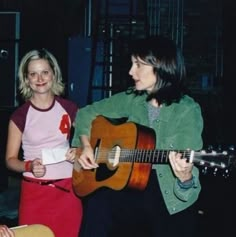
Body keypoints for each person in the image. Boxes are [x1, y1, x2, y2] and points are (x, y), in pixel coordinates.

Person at [72, 35, 204, 237]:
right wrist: (85, 146)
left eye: (138, 65)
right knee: (98, 205)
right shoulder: (132, 98)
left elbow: (188, 186)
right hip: (131, 184)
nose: (131, 71)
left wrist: (184, 177)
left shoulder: (187, 110)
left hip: (167, 193)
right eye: (132, 63)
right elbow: (85, 113)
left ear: (160, 66)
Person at [5, 49, 82, 237]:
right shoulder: (20, 116)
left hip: (68, 193)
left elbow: (89, 141)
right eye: (33, 73)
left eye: (45, 72)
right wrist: (29, 165)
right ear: (26, 78)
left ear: (53, 74)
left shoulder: (70, 108)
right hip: (34, 194)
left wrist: (79, 150)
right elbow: (10, 159)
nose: (39, 78)